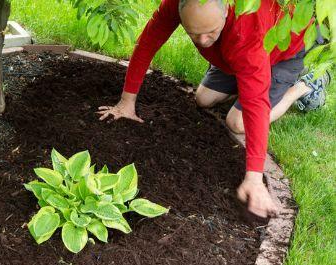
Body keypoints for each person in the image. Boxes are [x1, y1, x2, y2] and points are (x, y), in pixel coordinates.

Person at [97, 0, 330, 218]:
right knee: (203, 99)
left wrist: (254, 178)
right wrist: (126, 102)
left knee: (238, 123)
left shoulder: (248, 31)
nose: (203, 41)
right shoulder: (177, 5)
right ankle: (245, 75)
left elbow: (256, 104)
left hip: (281, 52)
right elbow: (148, 42)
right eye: (193, 34)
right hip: (231, 55)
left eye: (211, 32)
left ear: (227, 11)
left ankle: (304, 86)